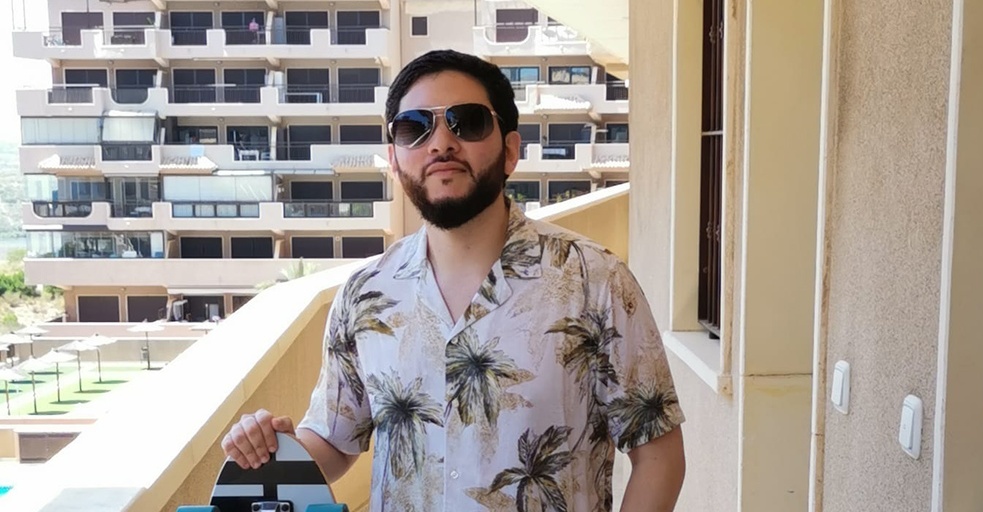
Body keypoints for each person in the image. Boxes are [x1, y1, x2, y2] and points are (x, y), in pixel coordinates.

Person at [222, 49, 686, 511]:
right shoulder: (365, 295)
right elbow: (335, 440)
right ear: (394, 159)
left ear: (510, 150)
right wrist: (270, 445)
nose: (441, 142)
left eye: (467, 122)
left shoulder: (594, 280)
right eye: (415, 127)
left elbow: (659, 457)